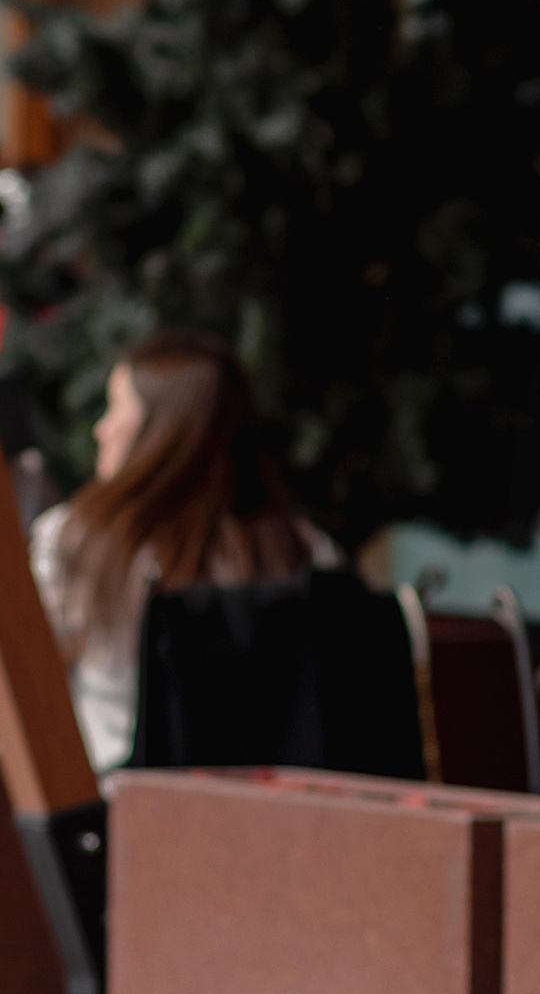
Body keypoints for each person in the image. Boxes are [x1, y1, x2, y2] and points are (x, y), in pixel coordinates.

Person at [30, 331, 322, 775]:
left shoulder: (77, 540)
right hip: (265, 808)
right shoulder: (301, 549)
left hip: (119, 802)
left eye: (113, 407)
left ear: (159, 431)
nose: (100, 429)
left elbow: (20, 672)